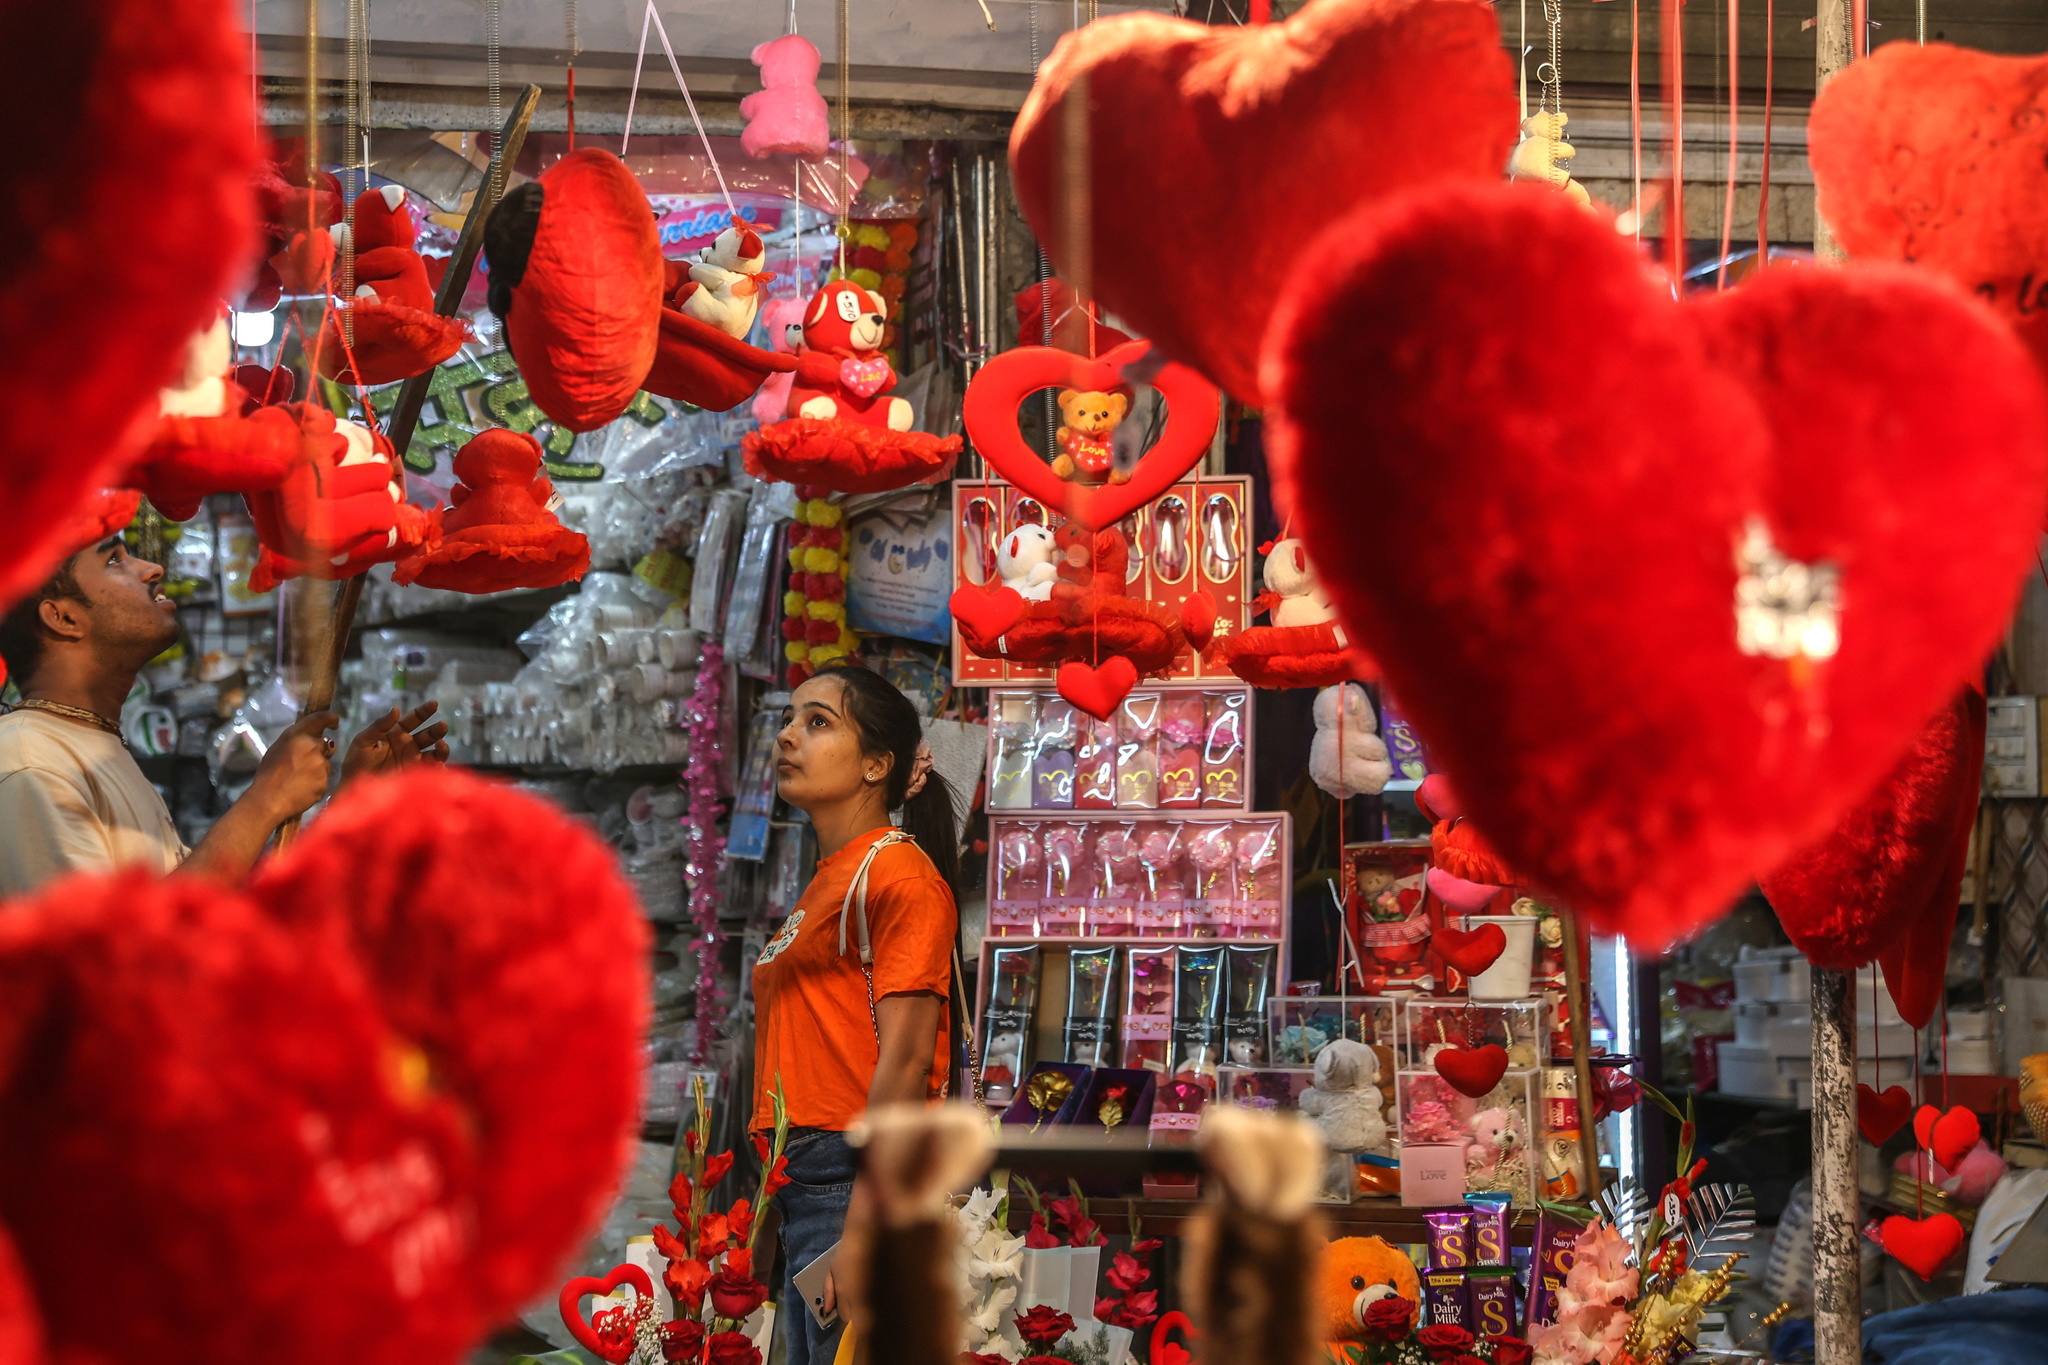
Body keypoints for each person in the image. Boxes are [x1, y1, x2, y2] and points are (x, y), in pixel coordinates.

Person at [0, 530, 450, 898]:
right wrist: (266, 800)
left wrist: (350, 807)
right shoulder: (29, 760)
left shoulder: (87, 744)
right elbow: (104, 971)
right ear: (62, 617)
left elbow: (206, 925)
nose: (152, 569)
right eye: (114, 560)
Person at [752, 663, 961, 1365]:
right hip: (807, 1184)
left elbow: (904, 1062)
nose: (788, 735)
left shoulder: (898, 873)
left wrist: (864, 1227)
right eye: (790, 717)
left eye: (818, 722)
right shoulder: (831, 877)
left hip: (853, 1180)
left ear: (877, 763)